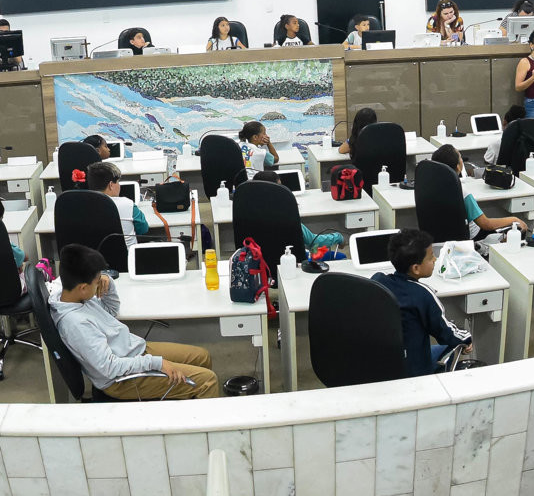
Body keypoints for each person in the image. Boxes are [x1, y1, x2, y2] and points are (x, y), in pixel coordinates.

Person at [50, 244, 218, 399]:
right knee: (207, 381)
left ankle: (190, 403)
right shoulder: (75, 324)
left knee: (202, 357)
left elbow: (110, 311)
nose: (99, 282)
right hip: (121, 379)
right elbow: (109, 368)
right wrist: (157, 363)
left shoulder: (77, 298)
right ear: (83, 287)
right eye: (96, 281)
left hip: (134, 350)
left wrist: (108, 286)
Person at [370, 229, 472, 377]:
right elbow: (445, 332)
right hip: (413, 369)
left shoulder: (377, 280)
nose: (435, 260)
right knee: (453, 345)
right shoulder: (423, 294)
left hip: (383, 364)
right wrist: (467, 338)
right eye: (431, 257)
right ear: (416, 268)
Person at [430, 145, 527, 241]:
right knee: (518, 229)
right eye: (460, 157)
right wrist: (514, 219)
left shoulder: (431, 187)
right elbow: (486, 224)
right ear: (458, 167)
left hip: (443, 238)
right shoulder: (462, 192)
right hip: (475, 237)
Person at [253, 171, 345, 255]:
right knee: (341, 256)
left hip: (262, 262)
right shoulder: (286, 217)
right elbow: (313, 241)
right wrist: (338, 237)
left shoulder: (251, 213)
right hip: (293, 260)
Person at [85, 162, 148, 247]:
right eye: (118, 182)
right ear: (111, 185)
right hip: (126, 258)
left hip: (95, 258)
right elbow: (143, 229)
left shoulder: (83, 205)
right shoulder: (127, 204)